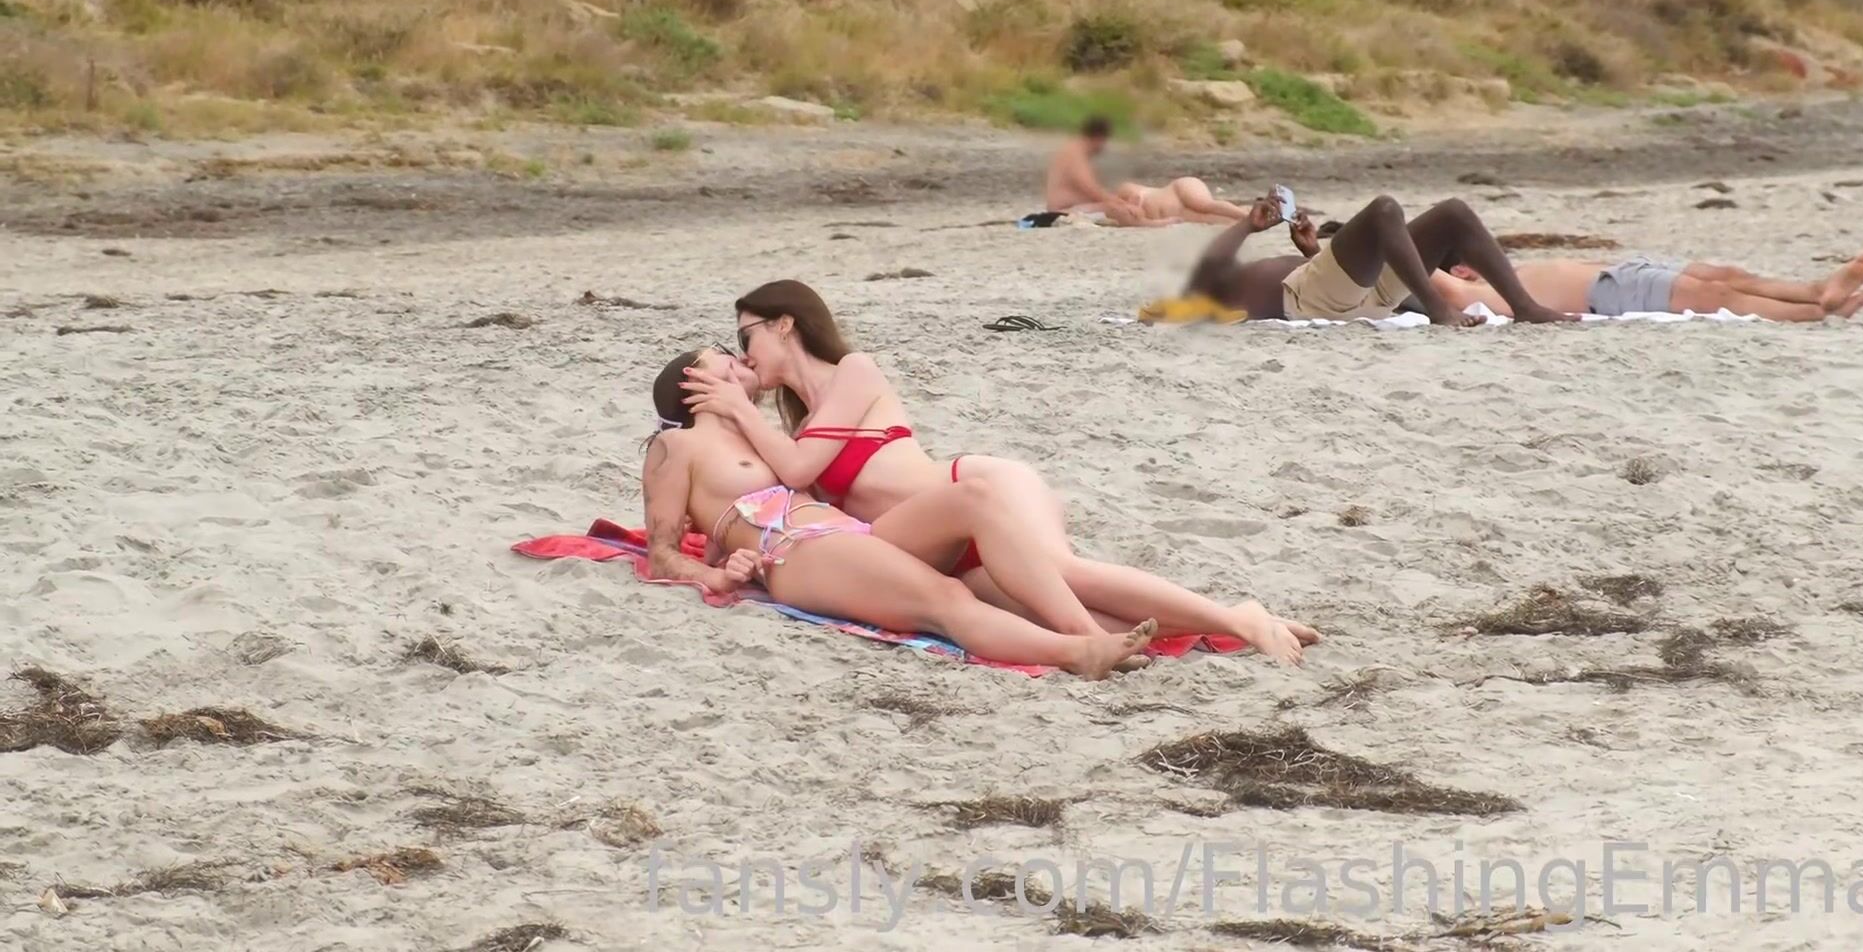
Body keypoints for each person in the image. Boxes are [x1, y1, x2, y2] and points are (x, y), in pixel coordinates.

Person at [678, 280, 1322, 665]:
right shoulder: (796, 427)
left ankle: (1240, 619)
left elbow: (798, 468)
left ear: (784, 323)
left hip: (976, 491)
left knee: (1065, 575)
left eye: (747, 338)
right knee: (1053, 610)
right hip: (941, 544)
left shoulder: (853, 372)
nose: (745, 357)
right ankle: (1220, 621)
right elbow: (788, 503)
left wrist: (737, 406)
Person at [643, 347, 1158, 679]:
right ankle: (1078, 653)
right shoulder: (677, 447)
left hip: (849, 535)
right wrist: (717, 576)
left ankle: (1094, 629)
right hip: (798, 551)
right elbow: (662, 552)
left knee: (975, 498)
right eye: (722, 359)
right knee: (947, 597)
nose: (740, 360)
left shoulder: (761, 436)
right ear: (692, 382)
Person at [1185, 193, 1574, 325]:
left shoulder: (1237, 278)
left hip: (1357, 296)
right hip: (1314, 301)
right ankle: (1439, 311)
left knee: (1453, 213)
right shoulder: (1205, 291)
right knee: (1383, 211)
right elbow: (1203, 273)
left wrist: (1311, 251)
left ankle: (1525, 307)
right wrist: (1247, 225)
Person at [1428, 252, 1863, 321]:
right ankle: (1819, 311)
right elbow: (1418, 265)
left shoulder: (1514, 274)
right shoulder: (1473, 293)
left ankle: (1816, 290)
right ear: (1461, 270)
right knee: (1719, 298)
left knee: (1723, 275)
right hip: (1610, 291)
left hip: (1625, 272)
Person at [1044, 117, 1247, 227]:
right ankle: (1248, 214)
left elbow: (1092, 190)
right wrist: (1121, 204)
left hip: (1176, 192)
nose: (1103, 148)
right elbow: (1089, 188)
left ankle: (1246, 214)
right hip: (1064, 209)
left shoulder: (1074, 152)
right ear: (1098, 138)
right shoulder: (1075, 153)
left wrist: (1120, 203)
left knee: (1205, 207)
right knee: (1206, 214)